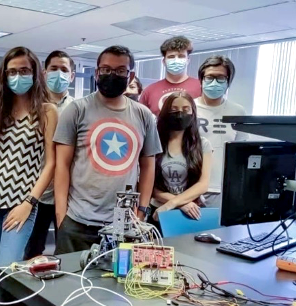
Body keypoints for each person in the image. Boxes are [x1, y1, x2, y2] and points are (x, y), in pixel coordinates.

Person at [53, 45, 162, 254]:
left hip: (124, 225)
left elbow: (148, 166)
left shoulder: (144, 116)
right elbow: (62, 166)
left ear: (130, 75)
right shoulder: (76, 110)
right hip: (78, 222)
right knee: (69, 283)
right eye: (106, 69)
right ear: (97, 72)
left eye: (120, 70)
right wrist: (61, 216)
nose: (112, 74)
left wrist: (141, 211)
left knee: (117, 284)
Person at [0, 47, 57, 269]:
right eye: (12, 72)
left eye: (24, 70)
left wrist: (29, 202)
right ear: (4, 76)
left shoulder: (47, 112)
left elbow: (51, 163)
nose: (18, 77)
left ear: (35, 74)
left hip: (21, 202)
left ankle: (13, 304)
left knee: (8, 268)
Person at [25, 50, 75, 259]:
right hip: (37, 190)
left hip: (69, 192)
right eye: (54, 69)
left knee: (66, 250)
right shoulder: (30, 106)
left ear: (72, 76)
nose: (59, 74)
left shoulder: (77, 108)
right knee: (32, 250)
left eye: (64, 69)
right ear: (44, 73)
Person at [149, 93, 212, 228]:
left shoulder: (202, 144)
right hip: (158, 213)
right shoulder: (154, 142)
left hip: (193, 212)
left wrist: (173, 203)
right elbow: (151, 187)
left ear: (193, 112)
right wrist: (181, 203)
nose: (180, 114)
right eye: (174, 109)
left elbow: (203, 184)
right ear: (166, 112)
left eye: (185, 109)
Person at [195, 56, 247, 207]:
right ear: (201, 79)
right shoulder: (189, 108)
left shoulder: (237, 111)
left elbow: (241, 152)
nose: (214, 82)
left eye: (220, 78)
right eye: (210, 77)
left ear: (228, 81)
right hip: (190, 188)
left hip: (224, 188)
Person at [139, 36, 201, 115]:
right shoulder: (149, 91)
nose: (176, 60)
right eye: (171, 57)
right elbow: (141, 120)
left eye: (181, 56)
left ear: (188, 60)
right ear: (164, 61)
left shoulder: (200, 87)